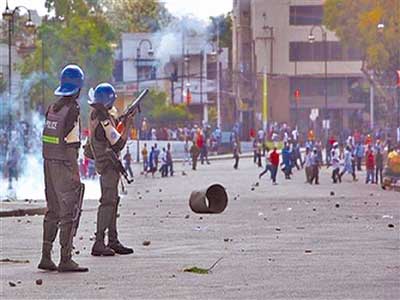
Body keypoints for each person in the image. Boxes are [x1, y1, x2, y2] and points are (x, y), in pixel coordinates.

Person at [38, 64, 88, 272]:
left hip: (48, 163)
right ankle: (65, 259)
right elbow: (71, 144)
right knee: (69, 211)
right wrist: (75, 173)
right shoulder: (73, 110)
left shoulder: (53, 108)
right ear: (78, 88)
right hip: (63, 165)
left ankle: (46, 256)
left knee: (53, 210)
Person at [88, 82, 134, 256]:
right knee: (107, 202)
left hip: (106, 165)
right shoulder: (104, 121)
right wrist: (128, 124)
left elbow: (111, 138)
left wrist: (121, 121)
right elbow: (119, 144)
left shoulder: (96, 116)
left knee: (113, 201)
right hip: (108, 167)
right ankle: (99, 242)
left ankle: (112, 241)